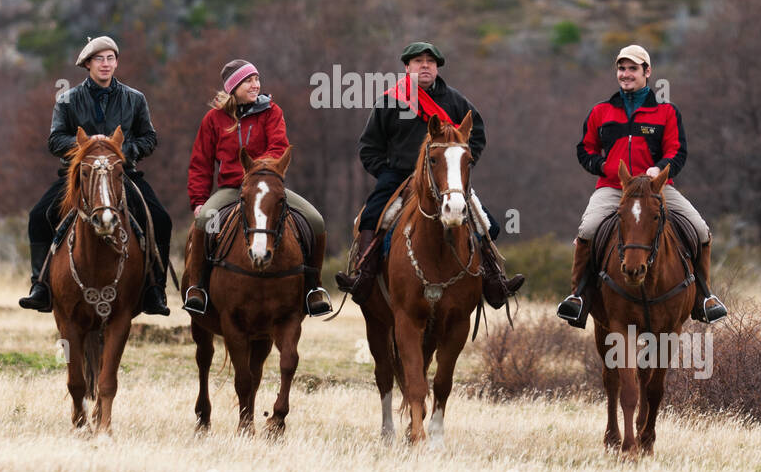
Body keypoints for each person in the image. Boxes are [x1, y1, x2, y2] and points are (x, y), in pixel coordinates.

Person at [334, 41, 524, 309]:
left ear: (437, 68)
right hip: (399, 175)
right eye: (418, 61)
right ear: (407, 67)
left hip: (445, 177)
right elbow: (369, 147)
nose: (425, 66)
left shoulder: (457, 101)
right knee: (373, 215)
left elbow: (477, 135)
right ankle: (363, 276)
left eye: (430, 62)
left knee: (487, 223)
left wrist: (459, 167)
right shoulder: (390, 101)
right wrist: (385, 171)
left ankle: (494, 280)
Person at [557, 44, 726, 328]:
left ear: (647, 72)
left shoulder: (666, 112)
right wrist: (605, 167)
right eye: (621, 69)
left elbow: (677, 151)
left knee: (700, 230)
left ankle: (704, 298)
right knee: (587, 230)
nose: (626, 74)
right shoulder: (601, 112)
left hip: (657, 189)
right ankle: (578, 297)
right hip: (614, 188)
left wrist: (658, 169)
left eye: (633, 69)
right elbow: (585, 151)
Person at [20, 36, 172, 316]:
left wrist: (120, 150)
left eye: (110, 58)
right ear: (87, 64)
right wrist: (89, 148)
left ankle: (155, 290)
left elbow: (149, 138)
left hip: (122, 173)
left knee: (161, 219)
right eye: (99, 59)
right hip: (80, 175)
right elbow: (55, 141)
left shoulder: (135, 98)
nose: (105, 64)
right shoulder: (67, 99)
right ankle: (40, 286)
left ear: (116, 62)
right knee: (38, 216)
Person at [180, 60, 331, 318]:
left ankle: (313, 289)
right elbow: (200, 164)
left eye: (257, 79)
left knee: (315, 221)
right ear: (233, 87)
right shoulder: (213, 119)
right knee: (206, 220)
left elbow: (279, 147)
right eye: (248, 80)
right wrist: (199, 201)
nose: (256, 84)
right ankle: (198, 288)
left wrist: (258, 170)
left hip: (267, 185)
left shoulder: (272, 112)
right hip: (230, 189)